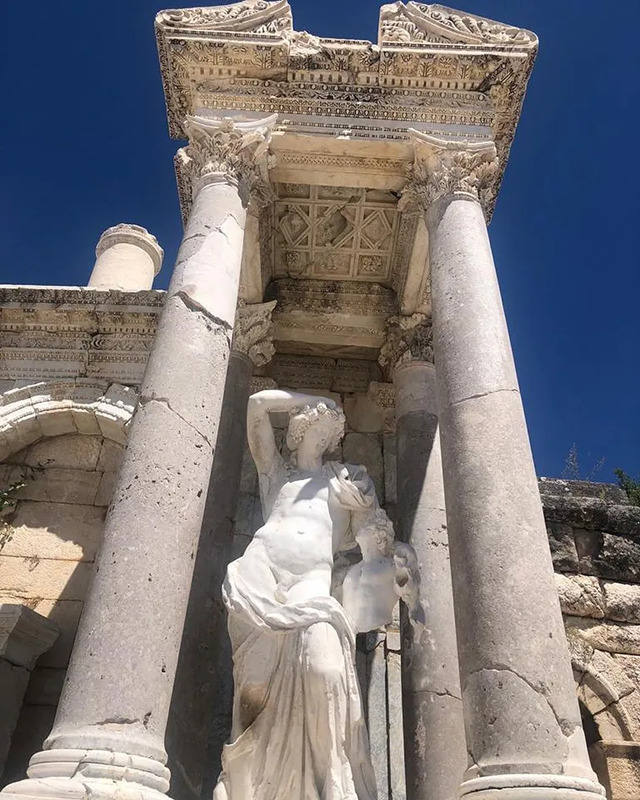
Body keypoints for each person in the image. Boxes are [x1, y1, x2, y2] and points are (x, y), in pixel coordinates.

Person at [213, 390, 417, 800]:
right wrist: (315, 400)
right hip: (260, 577)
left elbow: (372, 536)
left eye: (330, 436)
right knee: (252, 692)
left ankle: (330, 789)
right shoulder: (277, 476)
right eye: (316, 432)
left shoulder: (346, 483)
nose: (324, 442)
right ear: (298, 431)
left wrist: (387, 561)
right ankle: (246, 787)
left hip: (313, 587)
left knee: (325, 671)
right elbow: (255, 404)